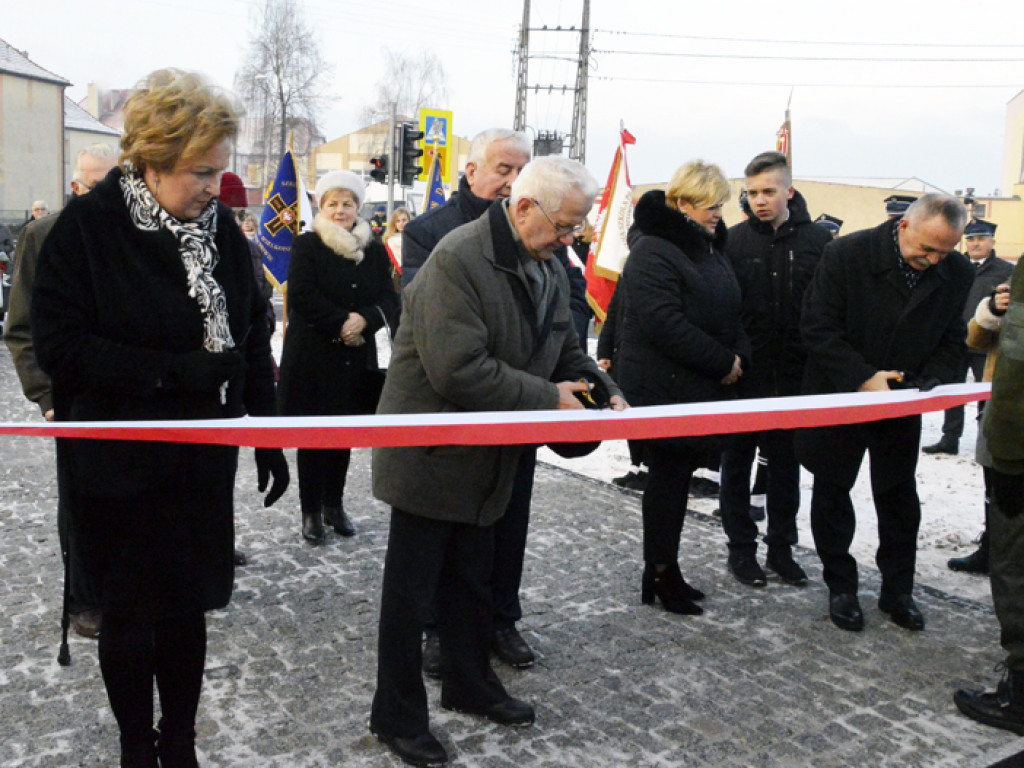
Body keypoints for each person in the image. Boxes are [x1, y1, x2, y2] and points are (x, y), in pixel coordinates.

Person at [30, 69, 289, 768]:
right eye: (200, 172)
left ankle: (179, 741)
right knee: (130, 615)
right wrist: (171, 371)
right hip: (118, 466)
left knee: (186, 610)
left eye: (219, 171)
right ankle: (134, 745)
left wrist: (266, 433)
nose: (214, 187)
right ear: (153, 156)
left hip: (199, 465)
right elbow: (60, 346)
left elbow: (252, 335)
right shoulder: (87, 229)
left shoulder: (221, 235)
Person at [369, 156, 624, 767]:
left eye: (576, 230)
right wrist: (546, 398)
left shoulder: (544, 260)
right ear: (525, 207)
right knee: (412, 599)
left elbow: (562, 342)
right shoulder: (457, 260)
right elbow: (457, 369)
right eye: (564, 226)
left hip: (490, 451)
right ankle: (395, 714)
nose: (571, 240)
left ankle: (468, 682)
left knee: (471, 583)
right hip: (430, 456)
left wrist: (595, 382)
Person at [401, 128, 581, 675]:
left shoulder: (544, 244)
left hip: (515, 413)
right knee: (446, 543)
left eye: (520, 168)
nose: (510, 178)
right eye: (502, 168)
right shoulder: (438, 238)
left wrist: (591, 382)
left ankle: (500, 618)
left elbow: (564, 323)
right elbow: (444, 346)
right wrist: (546, 392)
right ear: (471, 170)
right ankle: (439, 631)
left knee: (509, 523)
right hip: (453, 425)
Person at [797, 193, 972, 633]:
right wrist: (862, 376)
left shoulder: (957, 271)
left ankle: (898, 590)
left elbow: (953, 340)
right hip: (841, 393)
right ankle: (841, 587)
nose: (932, 260)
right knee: (833, 491)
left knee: (898, 497)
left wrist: (929, 380)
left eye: (943, 252)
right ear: (904, 226)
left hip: (901, 401)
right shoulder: (846, 254)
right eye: (926, 249)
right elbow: (817, 327)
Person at [616, 160, 750, 616]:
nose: (719, 214)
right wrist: (722, 363)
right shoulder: (655, 249)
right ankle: (659, 573)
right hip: (665, 388)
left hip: (697, 384)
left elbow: (730, 310)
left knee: (675, 482)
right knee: (667, 483)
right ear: (685, 204)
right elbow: (664, 323)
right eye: (712, 206)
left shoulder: (707, 249)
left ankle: (664, 571)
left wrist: (740, 357)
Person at [5, 143, 118, 639]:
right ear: (75, 187)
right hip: (71, 400)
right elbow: (21, 328)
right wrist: (46, 397)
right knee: (80, 502)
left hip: (126, 395)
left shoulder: (129, 235)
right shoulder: (43, 235)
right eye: (96, 185)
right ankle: (83, 600)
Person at [719, 151, 830, 588]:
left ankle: (782, 549)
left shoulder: (819, 242)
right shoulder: (734, 240)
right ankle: (740, 549)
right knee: (737, 463)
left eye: (768, 191)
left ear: (789, 191)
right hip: (745, 375)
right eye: (751, 193)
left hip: (796, 375)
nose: (759, 201)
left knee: (786, 466)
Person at [277, 170, 398, 544]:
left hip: (354, 357)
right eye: (333, 203)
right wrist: (342, 323)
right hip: (314, 357)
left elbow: (389, 299)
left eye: (348, 204)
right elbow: (302, 294)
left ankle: (334, 504)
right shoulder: (308, 245)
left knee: (342, 436)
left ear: (358, 208)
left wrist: (366, 320)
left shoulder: (373, 248)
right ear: (321, 206)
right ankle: (310, 511)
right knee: (313, 437)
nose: (341, 210)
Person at [953, 268, 1024, 735]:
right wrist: (995, 310)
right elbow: (979, 340)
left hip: (1014, 447)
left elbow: (1016, 372)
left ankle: (1019, 694)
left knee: (1015, 565)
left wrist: (1009, 460)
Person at [924, 219, 1013, 460]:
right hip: (955, 341)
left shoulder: (1005, 270)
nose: (975, 244)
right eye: (971, 239)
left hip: (986, 342)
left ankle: (986, 442)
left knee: (986, 393)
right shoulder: (953, 266)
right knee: (953, 391)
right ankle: (950, 438)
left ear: (992, 242)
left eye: (981, 238)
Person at [382, 206, 411, 293]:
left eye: (404, 220)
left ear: (409, 220)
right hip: (398, 276)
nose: (401, 223)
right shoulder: (391, 240)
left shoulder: (415, 237)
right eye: (398, 221)